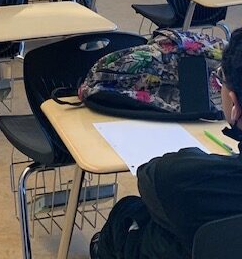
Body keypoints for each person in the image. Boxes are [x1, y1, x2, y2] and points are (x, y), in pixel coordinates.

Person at [90, 28, 242, 259]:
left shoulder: (179, 178)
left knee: (130, 215)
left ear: (234, 105)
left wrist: (192, 157)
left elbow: (151, 178)